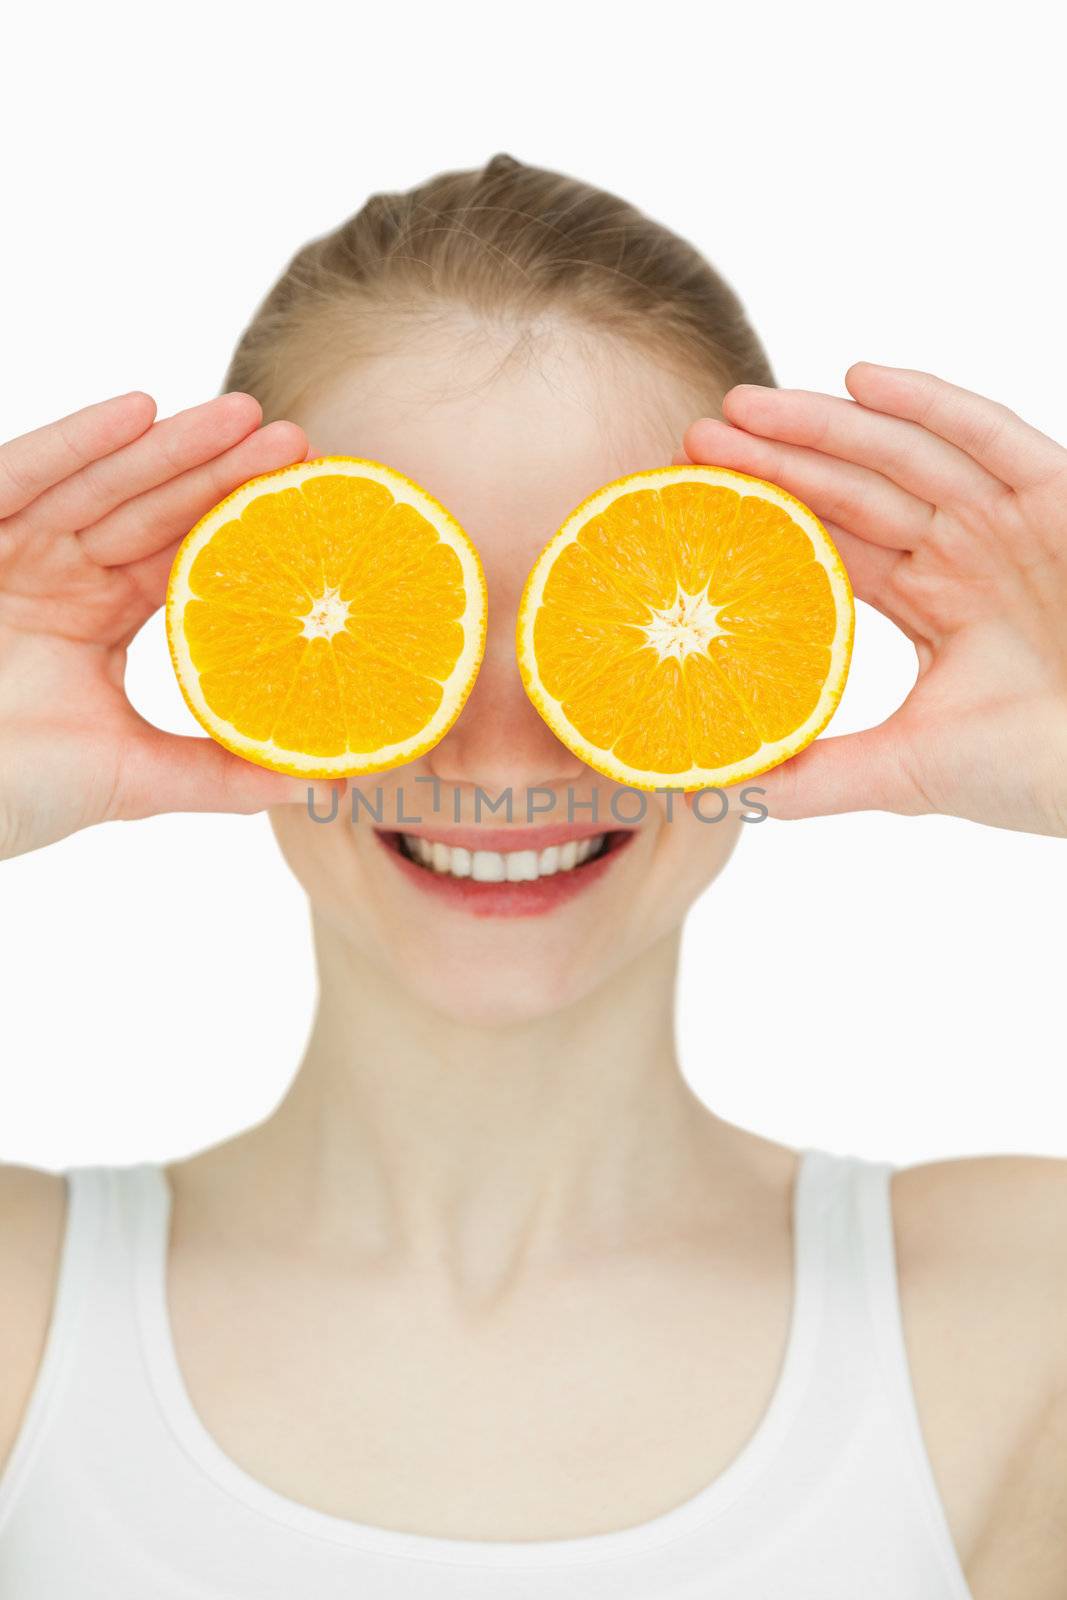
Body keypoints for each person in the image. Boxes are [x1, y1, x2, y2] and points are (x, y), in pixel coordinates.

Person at [0, 153, 1064, 1600]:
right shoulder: (24, 1322)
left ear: (764, 646)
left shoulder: (1019, 1308)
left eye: (613, 626)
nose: (500, 751)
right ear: (229, 641)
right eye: (383, 619)